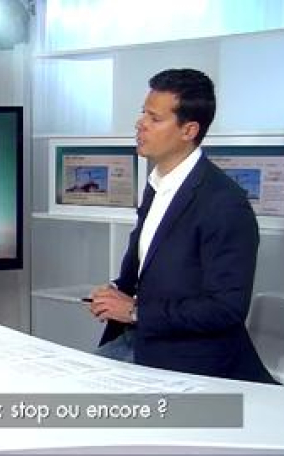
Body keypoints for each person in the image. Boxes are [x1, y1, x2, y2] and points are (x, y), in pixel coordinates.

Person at [87, 68, 277, 384]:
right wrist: (114, 294)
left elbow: (226, 308)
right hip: (139, 343)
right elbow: (149, 272)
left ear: (188, 130)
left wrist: (134, 311)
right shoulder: (157, 186)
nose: (140, 124)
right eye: (143, 113)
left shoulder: (224, 204)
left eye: (154, 118)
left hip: (192, 365)